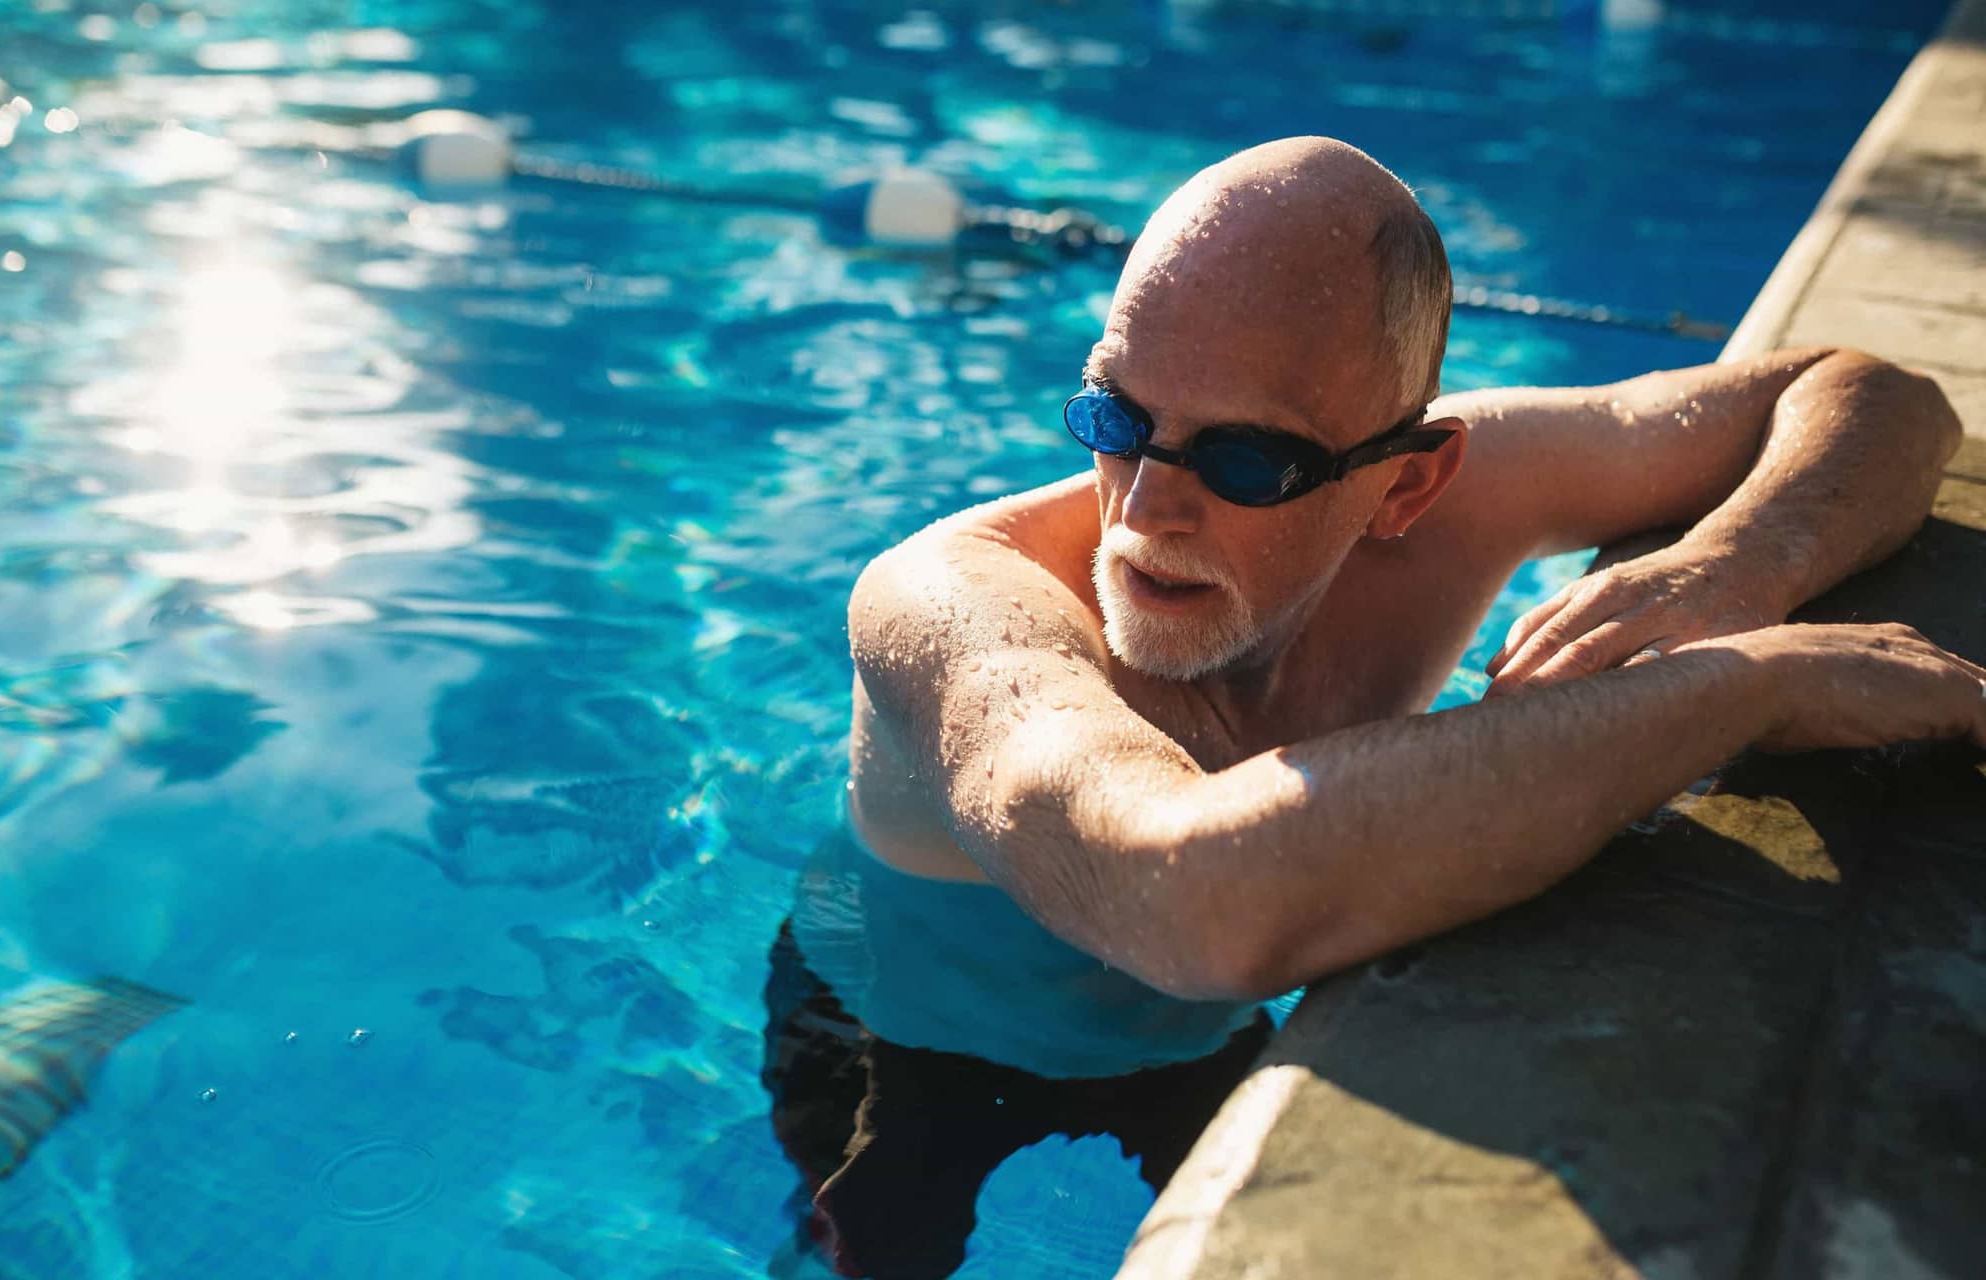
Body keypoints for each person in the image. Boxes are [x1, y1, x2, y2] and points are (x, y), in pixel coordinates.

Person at [761, 136, 1981, 1279]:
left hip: (1199, 1032)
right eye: (1115, 419)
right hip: (900, 1043)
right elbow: (1191, 901)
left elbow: (1874, 395)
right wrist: (1738, 684)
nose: (1145, 511)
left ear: (1406, 483)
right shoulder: (947, 600)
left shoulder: (1455, 501)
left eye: (1246, 462)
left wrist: (1724, 569)